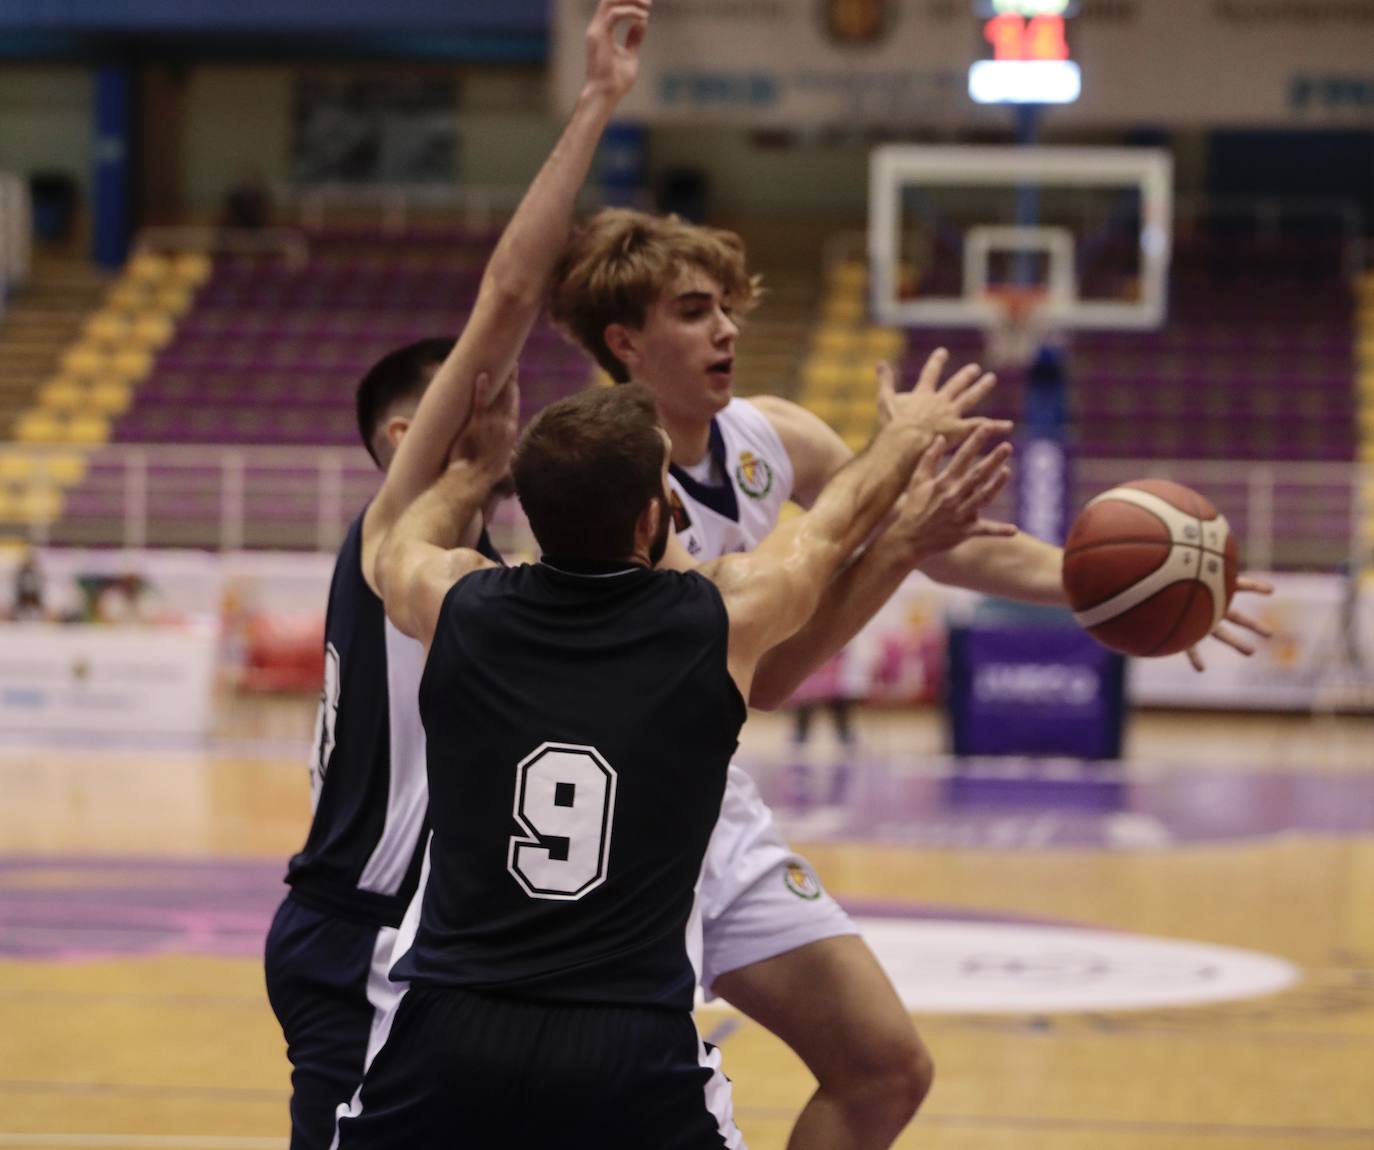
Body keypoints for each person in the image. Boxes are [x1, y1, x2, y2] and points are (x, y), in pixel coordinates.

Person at [548, 206, 1276, 1149]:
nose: (726, 327)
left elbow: (941, 540)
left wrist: (1122, 582)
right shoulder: (610, 485)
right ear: (626, 343)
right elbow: (764, 676)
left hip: (713, 810)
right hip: (622, 828)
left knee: (885, 1068)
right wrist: (894, 537)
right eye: (693, 311)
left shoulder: (770, 436)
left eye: (727, 306)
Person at [337, 363, 1002, 1149]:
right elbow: (832, 526)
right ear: (656, 514)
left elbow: (390, 540)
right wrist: (905, 436)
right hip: (626, 1038)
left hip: (450, 1027)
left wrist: (471, 475)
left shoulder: (454, 603)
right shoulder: (718, 621)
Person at [262, 4, 653, 1146]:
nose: (507, 394)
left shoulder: (484, 574)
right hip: (362, 932)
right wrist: (595, 102)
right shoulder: (393, 534)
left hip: (453, 947)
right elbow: (507, 297)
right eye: (480, 390)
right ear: (403, 440)